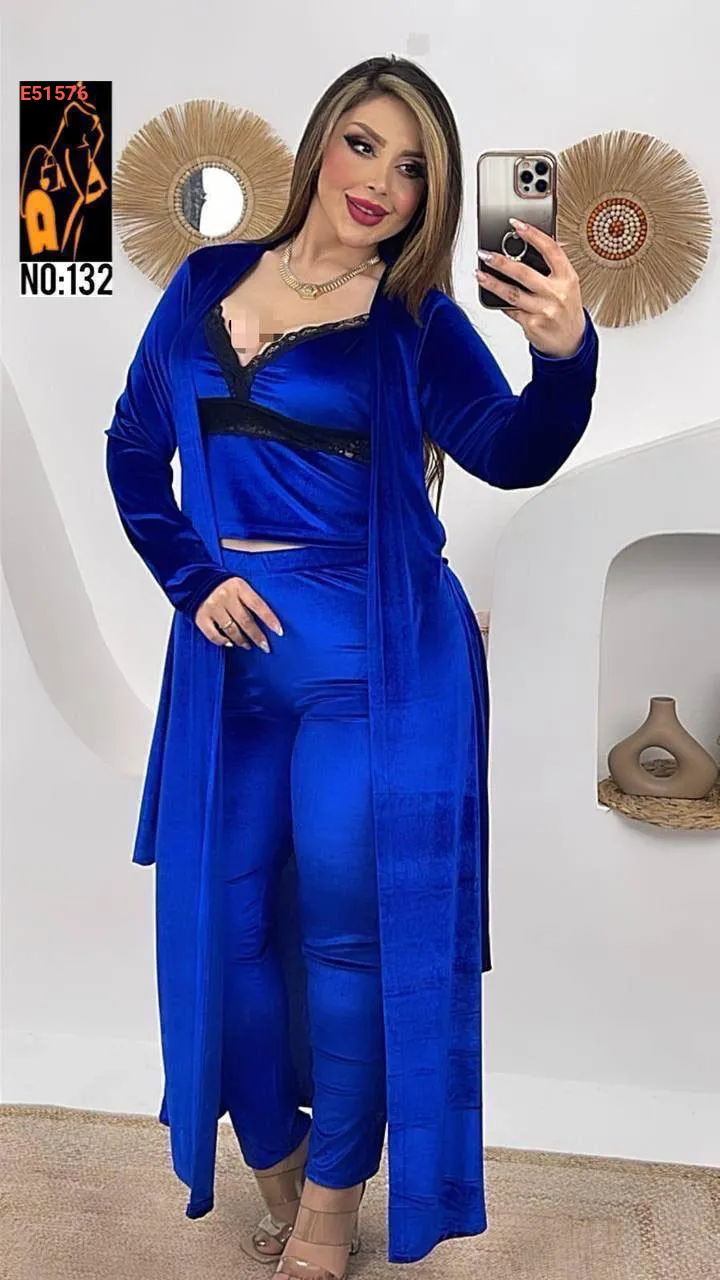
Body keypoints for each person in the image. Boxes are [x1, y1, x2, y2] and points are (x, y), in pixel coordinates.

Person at [105, 55, 599, 1280]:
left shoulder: (415, 320)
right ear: (323, 142)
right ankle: (275, 1160)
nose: (383, 180)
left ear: (435, 195)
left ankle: (332, 1205)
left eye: (415, 167)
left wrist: (565, 360)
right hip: (228, 665)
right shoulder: (208, 280)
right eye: (367, 144)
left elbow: (511, 449)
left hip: (374, 666)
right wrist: (191, 576)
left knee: (347, 939)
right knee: (222, 929)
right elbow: (132, 448)